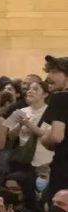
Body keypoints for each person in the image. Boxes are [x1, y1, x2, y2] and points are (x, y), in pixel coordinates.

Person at [40, 55, 68, 203]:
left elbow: (57, 136)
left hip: (63, 170)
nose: (49, 76)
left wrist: (44, 139)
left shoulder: (60, 97)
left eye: (55, 71)